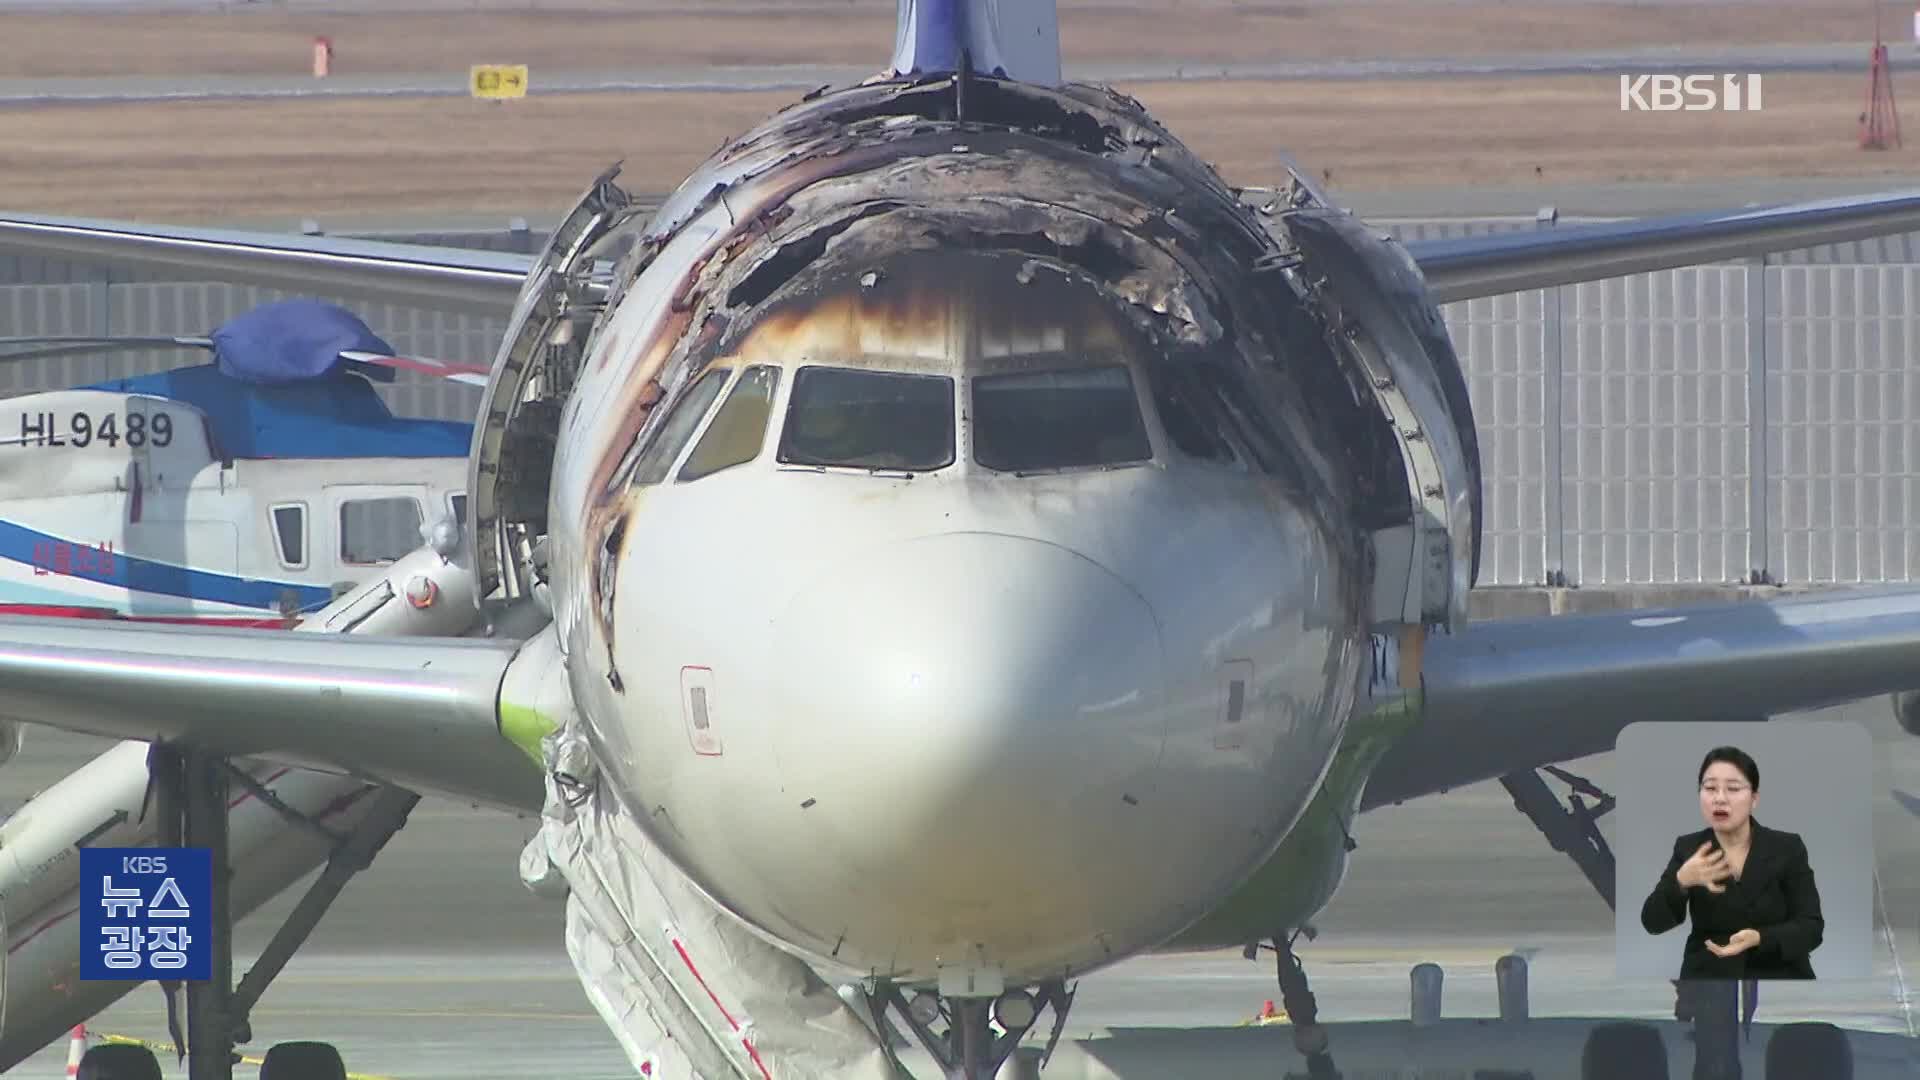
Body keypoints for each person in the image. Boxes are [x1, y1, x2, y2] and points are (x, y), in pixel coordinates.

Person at [1640, 746, 1824, 980]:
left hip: (1780, 976)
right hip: (1709, 979)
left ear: (1754, 798)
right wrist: (1681, 881)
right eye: (1710, 788)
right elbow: (1652, 923)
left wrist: (1759, 938)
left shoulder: (1787, 847)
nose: (1720, 798)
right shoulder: (1688, 848)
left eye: (1733, 789)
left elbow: (1812, 928)